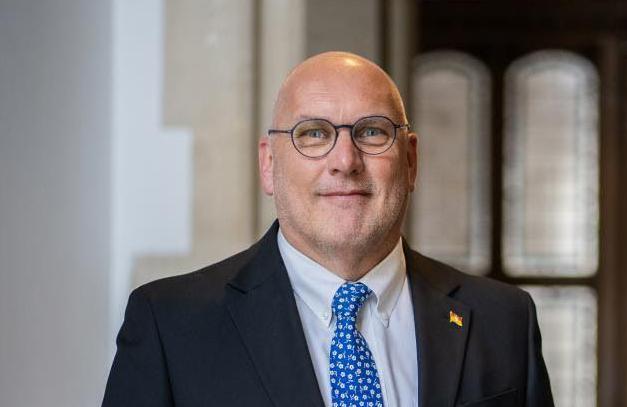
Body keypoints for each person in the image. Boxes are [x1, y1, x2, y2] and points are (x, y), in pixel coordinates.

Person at [102, 51, 554, 407]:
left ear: (411, 160)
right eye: (314, 134)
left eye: (372, 132)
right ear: (268, 163)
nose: (345, 161)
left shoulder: (504, 321)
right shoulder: (172, 327)